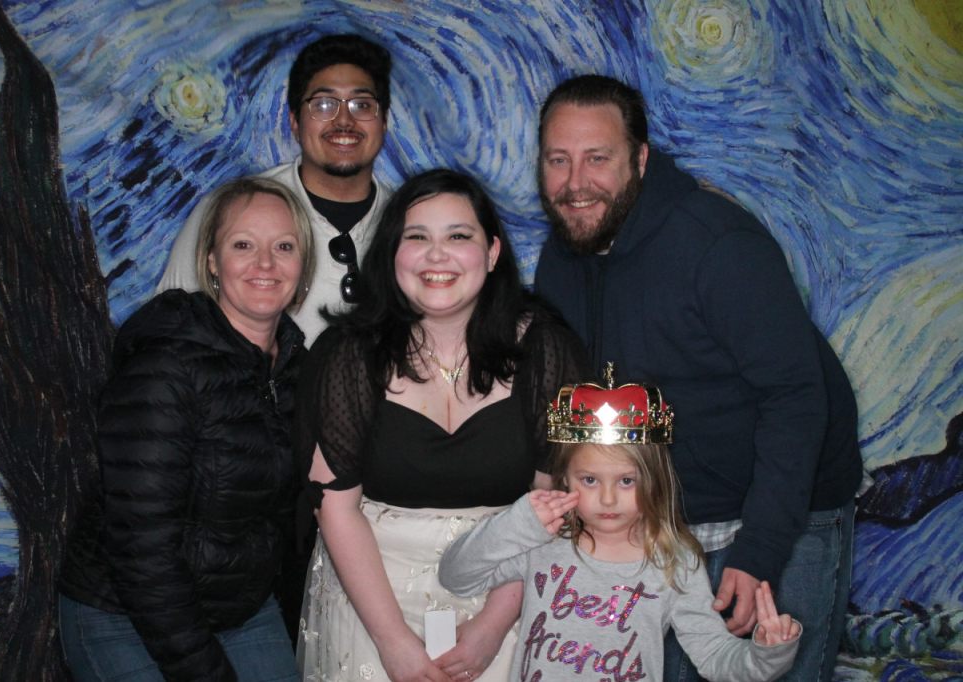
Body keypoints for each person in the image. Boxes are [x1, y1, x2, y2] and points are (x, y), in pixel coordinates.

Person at [533, 75, 863, 682]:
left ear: (639, 159)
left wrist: (760, 549)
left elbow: (795, 397)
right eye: (559, 160)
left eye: (597, 158)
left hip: (786, 506)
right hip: (662, 518)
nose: (575, 182)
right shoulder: (560, 259)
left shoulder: (719, 245)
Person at [297, 169, 592, 681]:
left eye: (458, 236)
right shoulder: (348, 354)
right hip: (372, 604)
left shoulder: (547, 351)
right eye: (417, 237)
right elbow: (336, 509)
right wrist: (392, 643)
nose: (437, 256)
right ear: (393, 254)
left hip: (508, 596)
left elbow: (555, 508)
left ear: (492, 252)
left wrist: (493, 626)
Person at [58, 176, 313, 681]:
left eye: (284, 246)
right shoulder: (164, 368)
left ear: (302, 263)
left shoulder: (297, 371)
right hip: (124, 611)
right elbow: (142, 551)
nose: (265, 264)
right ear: (212, 261)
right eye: (243, 245)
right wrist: (204, 670)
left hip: (238, 608)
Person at [439, 372, 802, 681]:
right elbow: (456, 577)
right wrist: (517, 523)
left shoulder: (674, 561)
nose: (608, 499)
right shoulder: (539, 542)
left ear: (654, 480)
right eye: (590, 480)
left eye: (627, 481)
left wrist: (766, 654)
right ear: (565, 478)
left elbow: (714, 657)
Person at [157, 33, 392, 347]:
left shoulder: (412, 224)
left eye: (362, 105)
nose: (344, 120)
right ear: (294, 122)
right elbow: (163, 337)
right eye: (323, 104)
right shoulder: (230, 211)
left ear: (384, 121)